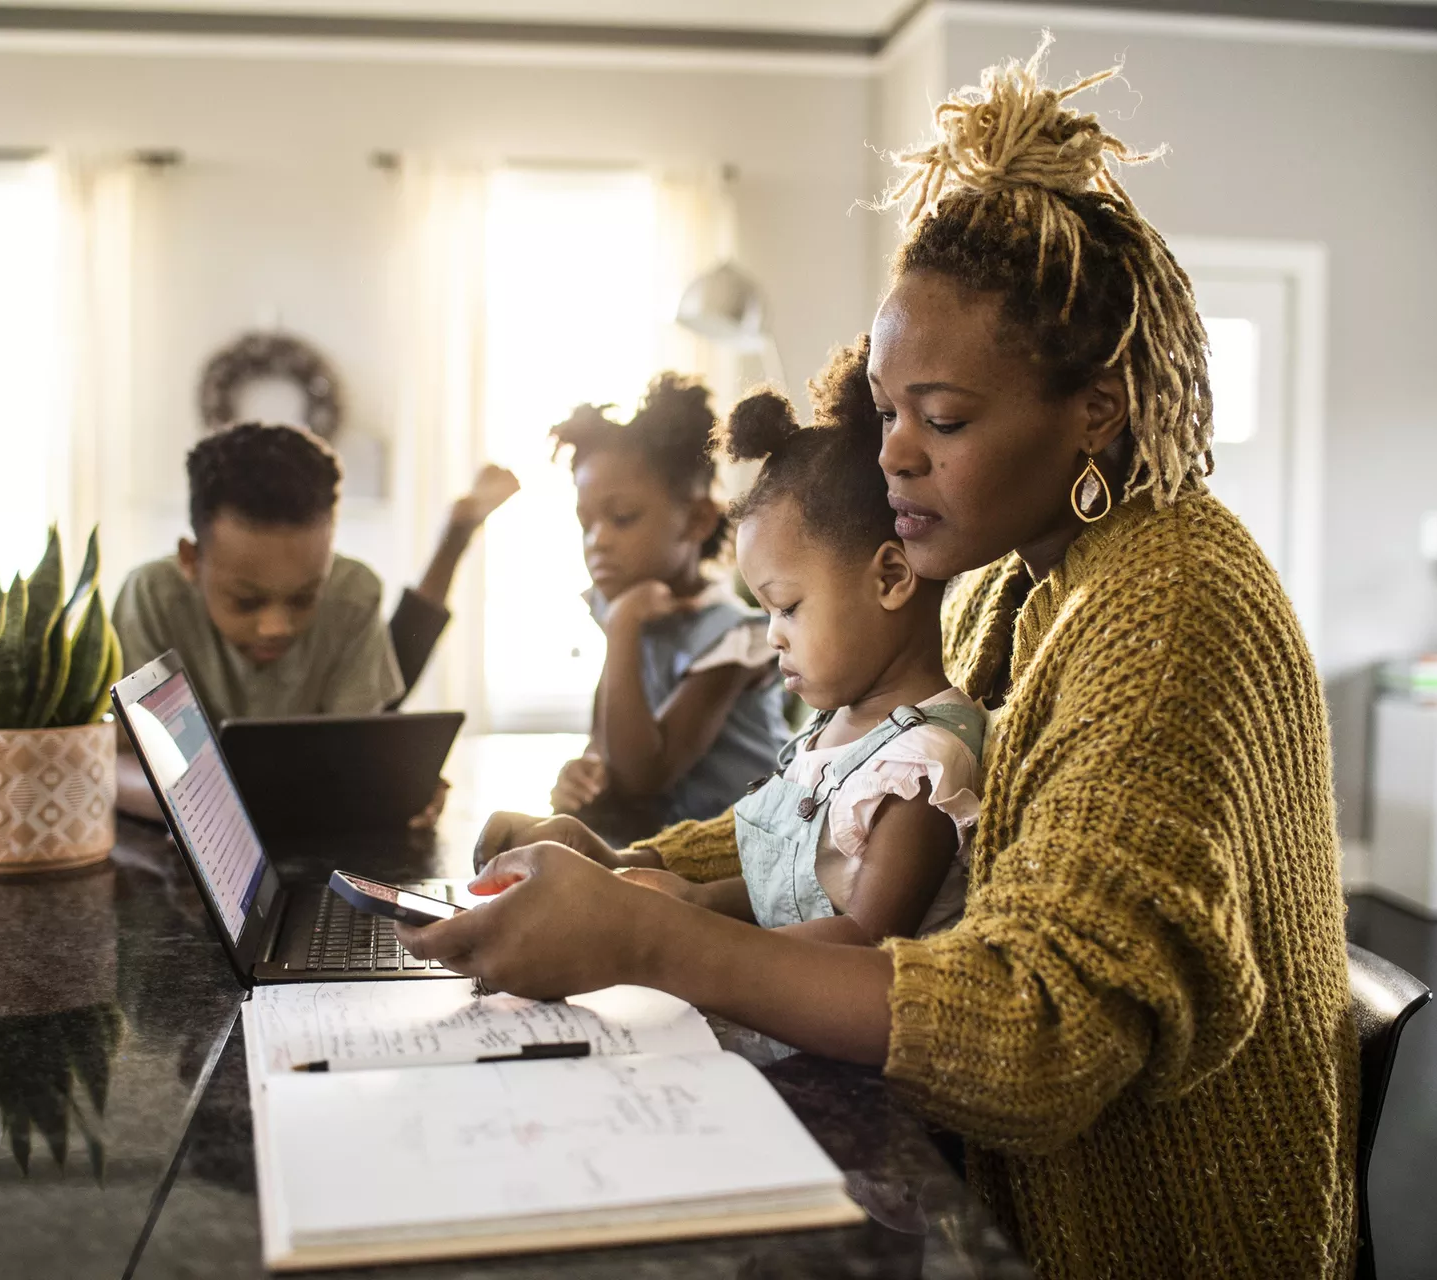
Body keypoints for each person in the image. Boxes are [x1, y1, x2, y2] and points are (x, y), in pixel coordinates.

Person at [399, 43, 1355, 1280]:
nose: (895, 455)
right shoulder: (1024, 571)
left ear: (1098, 412)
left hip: (1145, 1230)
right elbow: (836, 789)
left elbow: (1041, 1031)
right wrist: (628, 872)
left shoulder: (1169, 609)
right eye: (890, 409)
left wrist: (650, 939)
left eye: (944, 419)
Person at [623, 366, 986, 967]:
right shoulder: (834, 731)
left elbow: (860, 941)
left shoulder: (922, 765)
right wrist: (690, 899)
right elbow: (794, 891)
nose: (773, 637)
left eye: (788, 608)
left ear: (891, 578)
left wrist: (673, 938)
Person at [112, 421, 517, 819]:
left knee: (390, 689)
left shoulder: (353, 589)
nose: (277, 626)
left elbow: (359, 749)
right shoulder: (150, 596)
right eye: (247, 601)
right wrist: (201, 806)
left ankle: (454, 539)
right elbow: (110, 762)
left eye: (305, 597)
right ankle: (455, 536)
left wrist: (395, 784)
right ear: (190, 560)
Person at [547, 374, 788, 835]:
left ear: (696, 520)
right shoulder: (622, 611)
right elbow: (608, 750)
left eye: (622, 518)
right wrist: (583, 774)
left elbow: (643, 777)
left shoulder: (734, 637)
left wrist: (622, 628)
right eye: (586, 523)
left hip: (743, 856)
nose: (597, 542)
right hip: (661, 850)